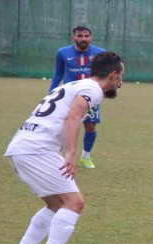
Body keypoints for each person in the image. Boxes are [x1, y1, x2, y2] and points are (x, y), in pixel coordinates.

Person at [4, 52, 124, 244]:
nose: (121, 82)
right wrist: (70, 153)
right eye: (121, 76)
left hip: (22, 147)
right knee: (74, 202)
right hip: (37, 149)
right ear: (113, 74)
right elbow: (72, 117)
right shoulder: (93, 90)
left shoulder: (76, 84)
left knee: (56, 204)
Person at [49, 26, 106, 169]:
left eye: (86, 36)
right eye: (80, 36)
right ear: (73, 37)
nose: (83, 39)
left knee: (91, 126)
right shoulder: (62, 52)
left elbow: (106, 73)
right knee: (63, 125)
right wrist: (51, 92)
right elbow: (58, 74)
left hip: (90, 96)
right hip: (69, 96)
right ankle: (57, 156)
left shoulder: (100, 53)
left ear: (91, 38)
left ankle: (86, 157)